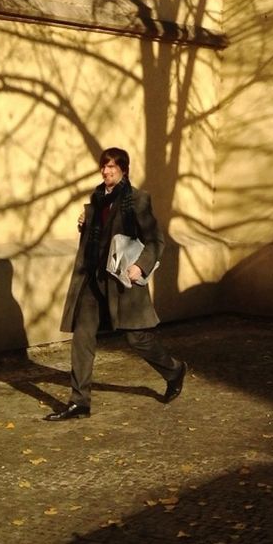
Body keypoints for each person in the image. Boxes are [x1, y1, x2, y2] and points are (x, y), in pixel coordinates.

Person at [45, 146, 186, 420]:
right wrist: (85, 225)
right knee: (82, 337)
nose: (106, 170)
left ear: (124, 169)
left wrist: (140, 266)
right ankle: (80, 401)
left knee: (138, 339)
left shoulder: (137, 200)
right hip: (93, 280)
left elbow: (156, 241)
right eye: (104, 166)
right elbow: (99, 238)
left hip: (122, 282)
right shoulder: (97, 198)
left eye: (112, 166)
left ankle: (174, 370)